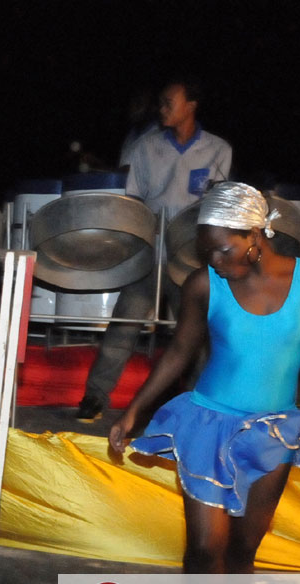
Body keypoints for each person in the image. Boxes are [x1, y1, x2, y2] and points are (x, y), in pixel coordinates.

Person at [110, 184, 300, 584]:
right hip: (207, 424)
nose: (214, 260)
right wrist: (133, 412)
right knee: (203, 548)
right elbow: (178, 352)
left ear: (255, 234)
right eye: (206, 251)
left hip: (274, 433)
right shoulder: (204, 285)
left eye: (222, 249)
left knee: (242, 551)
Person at [77, 77, 232, 421]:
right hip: (152, 251)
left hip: (190, 258)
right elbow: (133, 199)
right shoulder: (146, 148)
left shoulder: (217, 149)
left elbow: (218, 206)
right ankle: (95, 396)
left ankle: (200, 403)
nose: (161, 109)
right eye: (160, 102)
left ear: (191, 105)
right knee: (124, 326)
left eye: (168, 102)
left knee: (194, 336)